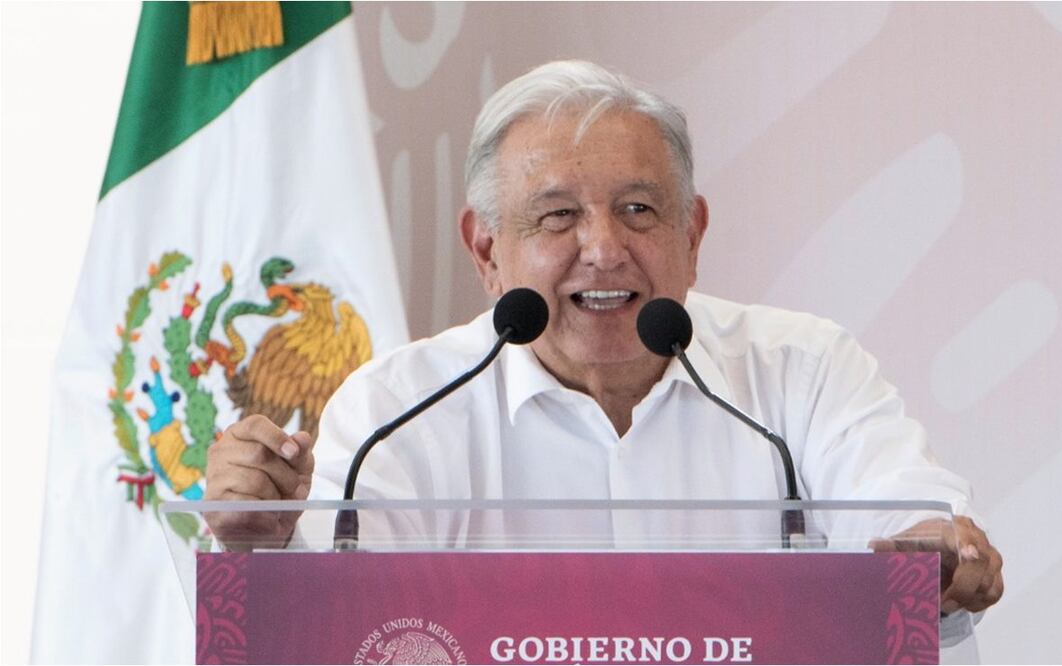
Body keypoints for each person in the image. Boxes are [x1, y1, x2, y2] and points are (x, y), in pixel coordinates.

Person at [205, 60, 1002, 617]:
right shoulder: (397, 412)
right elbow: (333, 626)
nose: (603, 248)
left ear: (691, 233)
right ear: (486, 251)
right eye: (557, 216)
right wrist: (262, 554)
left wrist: (935, 552)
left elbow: (906, 518)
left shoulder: (802, 371)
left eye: (639, 210)